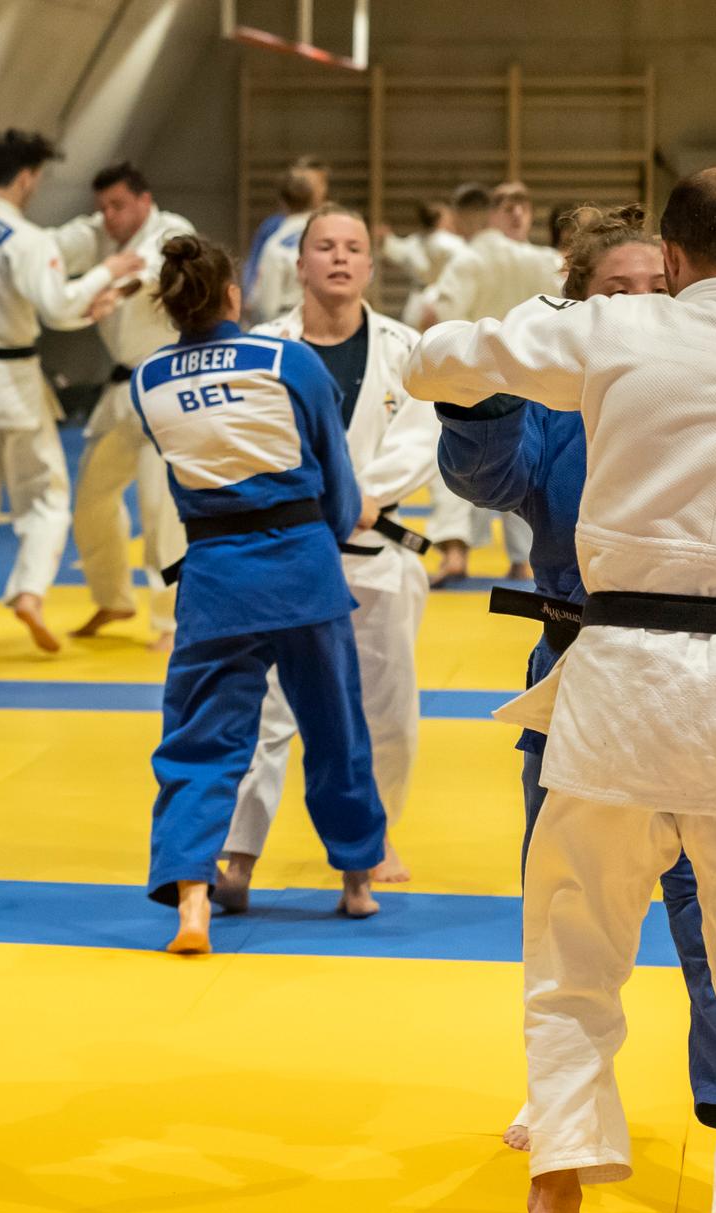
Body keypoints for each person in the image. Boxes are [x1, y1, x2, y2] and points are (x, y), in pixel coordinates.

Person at [406, 167, 716, 1213]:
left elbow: (452, 358)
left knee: (574, 949)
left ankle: (556, 1192)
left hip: (616, 682)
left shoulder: (620, 331)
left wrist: (429, 357)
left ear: (679, 260)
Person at [133, 235, 387, 955]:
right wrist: (335, 527)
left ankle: (192, 900)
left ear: (170, 304)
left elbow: (186, 475)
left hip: (215, 578)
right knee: (335, 728)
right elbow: (335, 474)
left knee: (199, 740)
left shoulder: (147, 380)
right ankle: (357, 881)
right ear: (233, 295)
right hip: (302, 568)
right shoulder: (288, 361)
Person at [219, 204, 438, 902]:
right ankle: (238, 849)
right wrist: (322, 497)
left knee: (387, 708)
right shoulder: (262, 347)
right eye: (325, 246)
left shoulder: (406, 348)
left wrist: (360, 497)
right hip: (285, 550)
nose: (339, 257)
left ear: (370, 265)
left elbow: (423, 438)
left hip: (375, 548)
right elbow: (246, 437)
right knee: (267, 711)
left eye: (352, 247)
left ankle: (377, 834)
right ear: (300, 264)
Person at [0, 129, 139, 654]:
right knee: (45, 498)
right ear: (26, 178)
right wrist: (106, 274)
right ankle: (28, 593)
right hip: (10, 382)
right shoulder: (24, 239)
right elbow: (59, 308)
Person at [55, 162, 195, 650]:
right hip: (120, 390)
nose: (109, 216)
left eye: (118, 205)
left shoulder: (172, 230)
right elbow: (52, 248)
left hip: (167, 384)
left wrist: (114, 289)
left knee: (160, 509)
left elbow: (152, 273)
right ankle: (112, 598)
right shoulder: (98, 233)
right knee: (92, 499)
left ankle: (171, 620)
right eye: (103, 207)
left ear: (143, 200)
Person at [418, 181, 557, 586]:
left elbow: (440, 317)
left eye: (522, 203)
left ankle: (467, 553)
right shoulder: (544, 262)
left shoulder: (474, 259)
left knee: (483, 462)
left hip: (484, 376)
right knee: (527, 460)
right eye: (506, 204)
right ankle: (512, 559)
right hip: (523, 377)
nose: (515, 212)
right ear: (492, 214)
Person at [247, 161, 329, 326]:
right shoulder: (334, 235)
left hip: (287, 324)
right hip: (331, 322)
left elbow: (267, 307)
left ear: (282, 201)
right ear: (317, 198)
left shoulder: (275, 246)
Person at [380, 198, 465, 330]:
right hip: (441, 299)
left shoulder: (413, 242)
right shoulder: (451, 243)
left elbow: (394, 249)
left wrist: (387, 238)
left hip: (416, 304)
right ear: (440, 220)